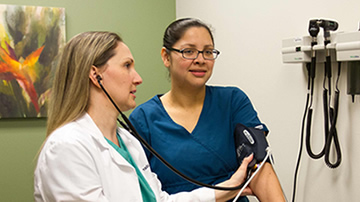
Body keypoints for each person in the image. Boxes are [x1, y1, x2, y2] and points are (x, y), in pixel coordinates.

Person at [34, 31, 256, 202]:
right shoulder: (67, 147)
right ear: (96, 75)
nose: (138, 78)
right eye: (127, 66)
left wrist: (226, 190)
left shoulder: (128, 141)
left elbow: (159, 200)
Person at [129, 18, 286, 201]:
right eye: (189, 51)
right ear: (166, 56)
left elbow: (259, 166)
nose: (201, 60)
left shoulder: (232, 101)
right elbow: (140, 191)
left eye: (208, 52)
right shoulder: (143, 119)